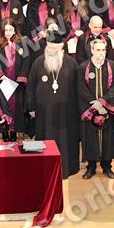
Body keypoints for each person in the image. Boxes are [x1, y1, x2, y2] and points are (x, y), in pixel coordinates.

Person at [27, 31, 81, 179]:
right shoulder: (38, 62)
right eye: (48, 46)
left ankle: (67, 168)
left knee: (65, 140)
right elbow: (31, 86)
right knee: (45, 138)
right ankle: (44, 169)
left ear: (61, 47)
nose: (50, 50)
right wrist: (31, 107)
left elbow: (78, 89)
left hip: (66, 112)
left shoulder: (72, 64)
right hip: (44, 113)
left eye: (53, 48)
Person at [79, 39, 114, 180]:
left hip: (107, 109)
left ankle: (107, 166)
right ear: (92, 50)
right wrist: (95, 105)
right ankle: (91, 167)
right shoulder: (83, 67)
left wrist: (103, 103)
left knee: (108, 139)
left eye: (103, 50)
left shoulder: (112, 66)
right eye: (98, 50)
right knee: (90, 138)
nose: (101, 53)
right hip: (90, 109)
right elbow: (81, 88)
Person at [0, 19, 30, 140]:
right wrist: (1, 76)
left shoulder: (22, 42)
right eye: (6, 30)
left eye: (11, 30)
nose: (8, 32)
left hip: (16, 81)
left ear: (15, 30)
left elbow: (26, 60)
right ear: (2, 30)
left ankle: (14, 131)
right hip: (2, 81)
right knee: (3, 106)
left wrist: (21, 77)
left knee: (16, 107)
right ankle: (4, 131)